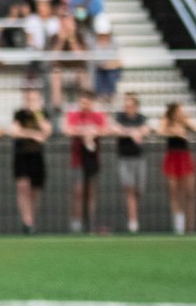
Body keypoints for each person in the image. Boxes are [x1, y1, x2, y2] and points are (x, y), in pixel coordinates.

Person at [62, 90, 110, 234]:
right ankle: (76, 223)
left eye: (87, 102)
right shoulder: (73, 115)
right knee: (78, 190)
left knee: (91, 191)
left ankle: (91, 222)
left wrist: (93, 131)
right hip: (77, 158)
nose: (84, 105)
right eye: (82, 102)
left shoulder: (98, 116)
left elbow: (106, 129)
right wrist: (84, 132)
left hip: (93, 158)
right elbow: (67, 130)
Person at [158, 103, 196, 235]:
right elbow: (160, 131)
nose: (182, 112)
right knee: (174, 191)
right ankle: (178, 224)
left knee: (189, 192)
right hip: (172, 156)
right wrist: (175, 132)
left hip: (184, 156)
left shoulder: (184, 121)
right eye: (179, 109)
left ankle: (191, 225)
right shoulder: (166, 120)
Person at [9, 93, 52, 234]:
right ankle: (26, 221)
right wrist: (33, 134)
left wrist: (37, 114)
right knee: (22, 186)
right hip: (21, 154)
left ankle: (31, 220)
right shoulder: (19, 114)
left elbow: (47, 131)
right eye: (28, 99)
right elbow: (14, 132)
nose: (31, 102)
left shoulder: (42, 114)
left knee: (35, 190)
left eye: (34, 99)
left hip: (36, 155)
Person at [113, 92, 149, 234]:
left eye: (131, 105)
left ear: (136, 106)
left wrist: (136, 132)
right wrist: (132, 132)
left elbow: (145, 130)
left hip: (139, 158)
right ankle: (133, 221)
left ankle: (135, 215)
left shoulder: (141, 118)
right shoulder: (120, 117)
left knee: (139, 190)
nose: (128, 108)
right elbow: (115, 129)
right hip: (125, 158)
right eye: (126, 105)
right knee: (130, 189)